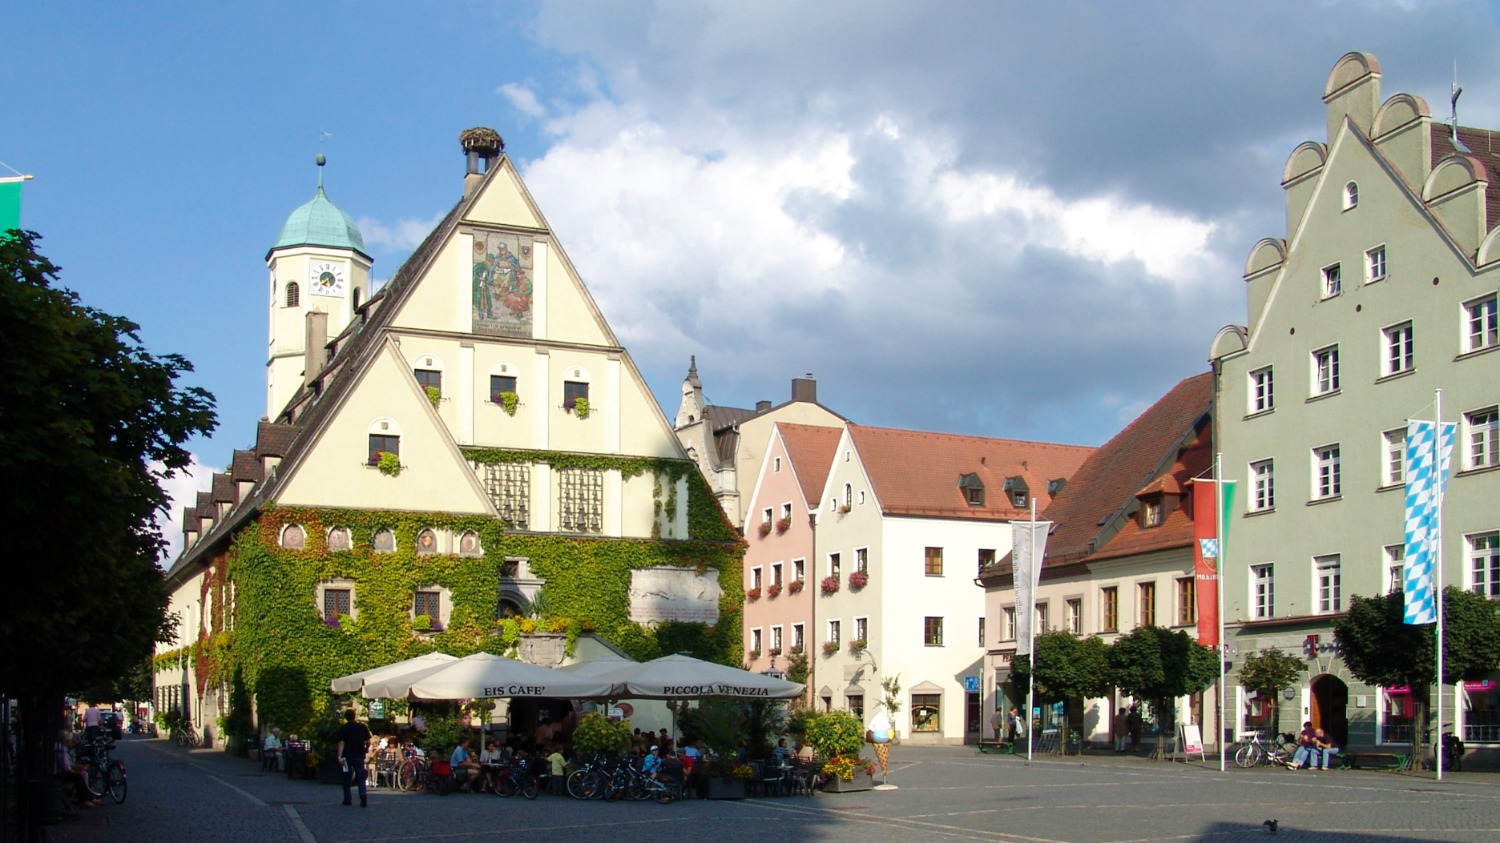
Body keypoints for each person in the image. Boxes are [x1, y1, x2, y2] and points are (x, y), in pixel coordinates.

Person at [54, 731, 101, 808]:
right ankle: (85, 800)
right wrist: (74, 770)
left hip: (59, 772)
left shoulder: (60, 747)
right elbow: (65, 767)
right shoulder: (61, 748)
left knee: (79, 775)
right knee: (78, 777)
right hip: (58, 773)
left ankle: (89, 798)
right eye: (68, 741)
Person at [335, 709, 371, 807]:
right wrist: (366, 749)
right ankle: (363, 795)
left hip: (346, 757)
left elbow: (341, 743)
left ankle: (347, 799)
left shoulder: (343, 728)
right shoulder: (362, 727)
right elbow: (368, 742)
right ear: (354, 716)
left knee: (346, 777)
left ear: (346, 717)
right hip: (359, 755)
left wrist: (339, 756)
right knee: (360, 777)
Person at [867, 708, 892, 779]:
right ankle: (884, 773)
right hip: (885, 736)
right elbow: (888, 727)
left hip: (876, 737)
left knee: (881, 756)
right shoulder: (885, 720)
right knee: (884, 757)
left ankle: (884, 773)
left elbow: (870, 727)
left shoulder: (875, 719)